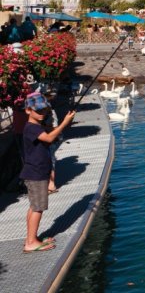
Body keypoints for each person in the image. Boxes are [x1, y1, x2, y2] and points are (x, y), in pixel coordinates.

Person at [21, 91, 75, 253]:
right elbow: (49, 138)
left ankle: (31, 238)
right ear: (28, 110)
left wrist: (60, 125)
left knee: (34, 207)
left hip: (37, 172)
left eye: (44, 109)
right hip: (36, 173)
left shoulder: (37, 126)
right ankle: (30, 243)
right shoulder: (31, 128)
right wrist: (65, 123)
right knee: (38, 207)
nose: (42, 113)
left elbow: (49, 134)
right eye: (38, 110)